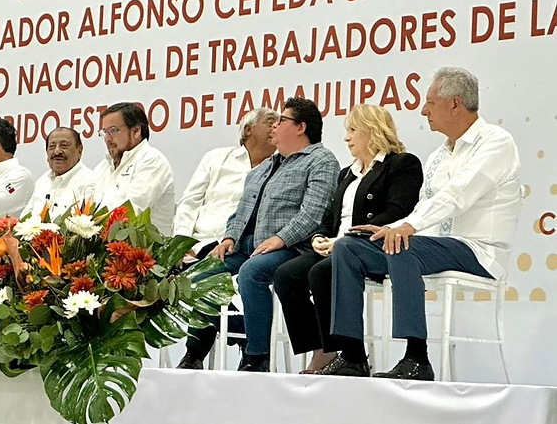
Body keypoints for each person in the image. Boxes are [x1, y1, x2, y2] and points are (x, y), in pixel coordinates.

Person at [328, 67, 521, 380]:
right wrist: (392, 228)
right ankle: (352, 356)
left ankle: (417, 358)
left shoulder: (496, 142)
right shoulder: (438, 156)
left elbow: (459, 195)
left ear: (455, 103)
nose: (423, 110)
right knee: (349, 248)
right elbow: (424, 208)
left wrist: (405, 228)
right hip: (431, 247)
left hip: (478, 250)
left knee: (402, 246)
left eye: (430, 103)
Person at [177, 97, 339, 371]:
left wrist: (281, 238)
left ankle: (256, 356)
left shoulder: (321, 160)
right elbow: (240, 211)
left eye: (282, 120)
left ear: (300, 127)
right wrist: (229, 238)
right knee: (200, 275)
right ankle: (194, 353)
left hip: (293, 247)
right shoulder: (265, 166)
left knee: (252, 273)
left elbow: (314, 212)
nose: (275, 126)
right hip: (248, 245)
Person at [273, 104, 423, 375]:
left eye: (353, 130)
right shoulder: (347, 173)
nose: (346, 137)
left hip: (369, 247)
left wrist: (346, 239)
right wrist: (319, 237)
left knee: (321, 273)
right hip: (335, 245)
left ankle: (353, 356)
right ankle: (323, 349)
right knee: (287, 276)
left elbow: (398, 211)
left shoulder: (402, 164)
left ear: (372, 130)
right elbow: (329, 218)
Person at [173, 108, 278, 259]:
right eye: (270, 122)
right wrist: (181, 245)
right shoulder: (216, 158)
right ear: (248, 130)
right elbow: (190, 202)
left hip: (239, 250)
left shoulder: (280, 169)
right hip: (198, 245)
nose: (275, 127)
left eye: (278, 124)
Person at [91, 102, 176, 235]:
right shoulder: (102, 167)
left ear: (136, 131)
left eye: (113, 131)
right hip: (103, 242)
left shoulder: (152, 160)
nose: (107, 139)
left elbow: (131, 213)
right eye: (104, 133)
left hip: (146, 246)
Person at [25, 127, 96, 219]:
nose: (57, 151)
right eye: (52, 146)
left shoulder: (90, 181)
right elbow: (24, 220)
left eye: (64, 146)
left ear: (80, 150)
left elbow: (84, 223)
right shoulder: (42, 181)